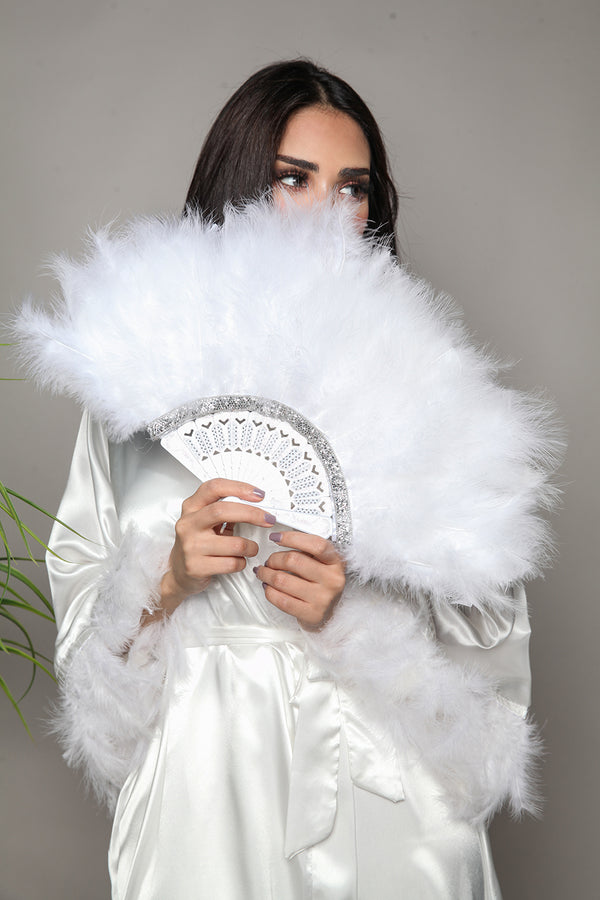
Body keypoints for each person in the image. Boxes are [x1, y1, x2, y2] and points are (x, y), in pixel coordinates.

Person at [15, 60, 561, 899]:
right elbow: (88, 626)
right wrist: (163, 579)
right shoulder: (141, 377)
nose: (328, 211)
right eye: (293, 179)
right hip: (203, 785)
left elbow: (491, 652)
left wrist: (354, 616)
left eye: (354, 188)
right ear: (238, 185)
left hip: (384, 785)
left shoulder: (428, 386)